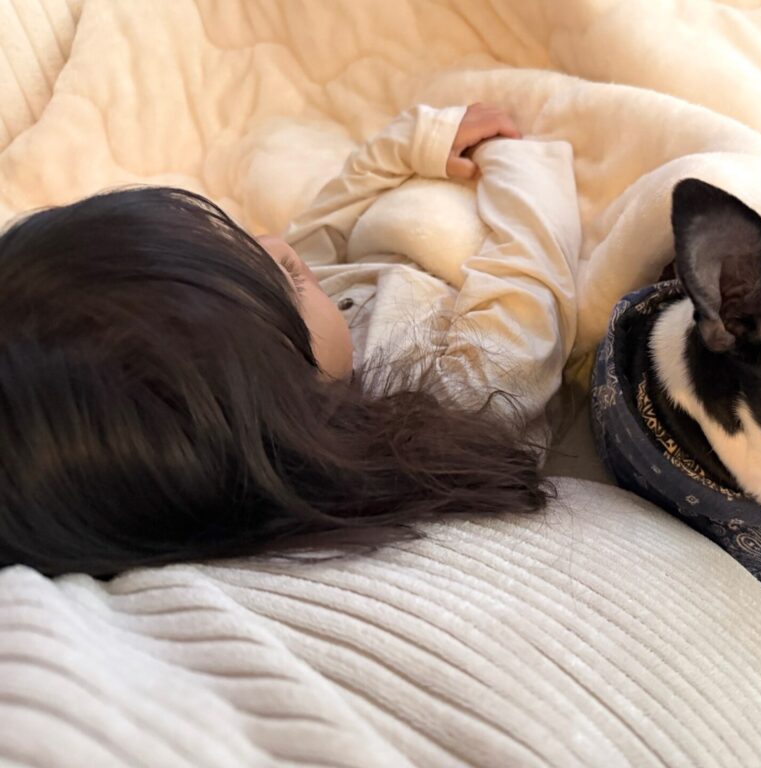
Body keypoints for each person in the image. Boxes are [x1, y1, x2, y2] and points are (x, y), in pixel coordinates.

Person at [0, 104, 581, 577]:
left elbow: (320, 230)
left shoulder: (284, 348)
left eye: (233, 237)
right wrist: (516, 159)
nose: (277, 243)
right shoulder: (456, 402)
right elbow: (533, 274)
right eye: (287, 278)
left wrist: (419, 141)